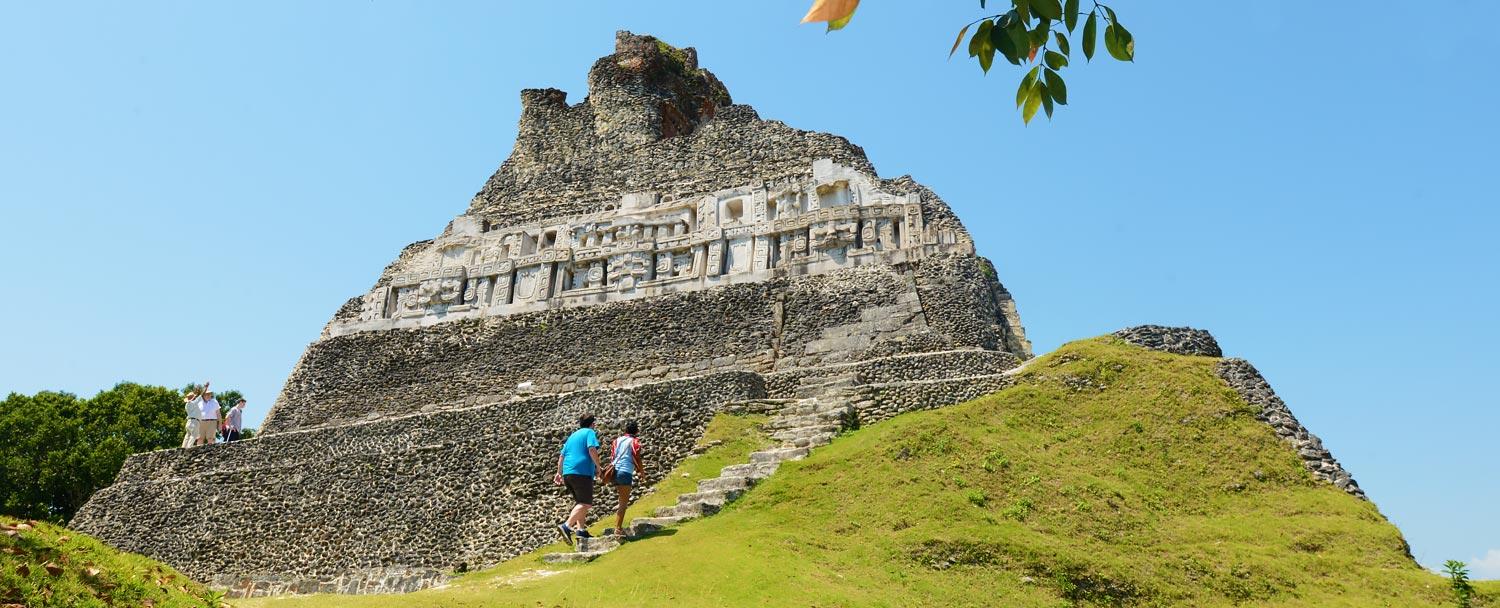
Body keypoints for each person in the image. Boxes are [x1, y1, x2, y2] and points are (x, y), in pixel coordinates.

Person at [553, 412, 602, 546]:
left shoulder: (572, 436)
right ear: (592, 424)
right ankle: (566, 526)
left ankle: (580, 530)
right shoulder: (589, 433)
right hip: (581, 473)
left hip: (568, 474)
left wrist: (559, 473)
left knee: (580, 502)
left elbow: (561, 456)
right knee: (586, 503)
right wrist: (598, 467)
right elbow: (592, 449)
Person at [609, 421, 645, 536]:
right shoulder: (634, 441)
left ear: (625, 431)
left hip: (614, 472)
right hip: (625, 472)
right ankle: (618, 529)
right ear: (637, 431)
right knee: (623, 503)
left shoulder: (616, 440)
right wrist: (641, 472)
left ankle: (618, 527)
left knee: (621, 500)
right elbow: (637, 456)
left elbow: (613, 456)